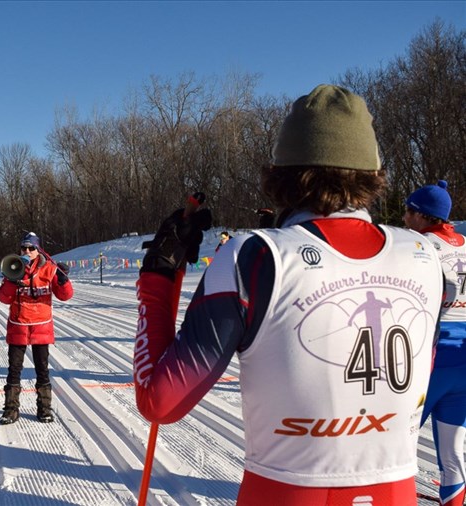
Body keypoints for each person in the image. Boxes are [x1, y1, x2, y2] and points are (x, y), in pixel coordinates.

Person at [133, 84, 444, 504]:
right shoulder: (424, 254)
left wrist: (157, 280)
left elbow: (160, 402)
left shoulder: (254, 256)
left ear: (282, 173)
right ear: (374, 173)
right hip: (395, 490)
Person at [403, 180, 465, 506]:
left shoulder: (420, 246)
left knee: (396, 445)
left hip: (433, 359)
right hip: (464, 358)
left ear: (421, 215)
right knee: (453, 450)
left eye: (407, 211)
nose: (403, 218)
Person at [0, 232, 73, 424]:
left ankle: (45, 409)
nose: (27, 251)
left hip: (41, 325)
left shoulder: (48, 269)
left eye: (31, 248)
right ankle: (11, 409)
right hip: (18, 325)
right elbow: (3, 298)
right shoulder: (14, 266)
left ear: (38, 249)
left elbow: (65, 296)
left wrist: (64, 281)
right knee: (14, 369)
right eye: (24, 248)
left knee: (42, 369)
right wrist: (11, 281)